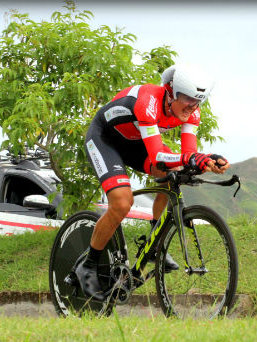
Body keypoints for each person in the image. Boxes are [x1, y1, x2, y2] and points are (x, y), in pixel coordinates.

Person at [77, 64, 230, 301]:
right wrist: (192, 158)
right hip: (105, 139)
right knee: (121, 203)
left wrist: (206, 160)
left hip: (136, 142)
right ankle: (88, 264)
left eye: (198, 101)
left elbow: (187, 155)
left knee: (176, 174)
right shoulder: (148, 101)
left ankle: (154, 244)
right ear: (171, 92)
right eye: (188, 99)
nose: (193, 107)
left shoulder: (192, 113)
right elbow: (158, 155)